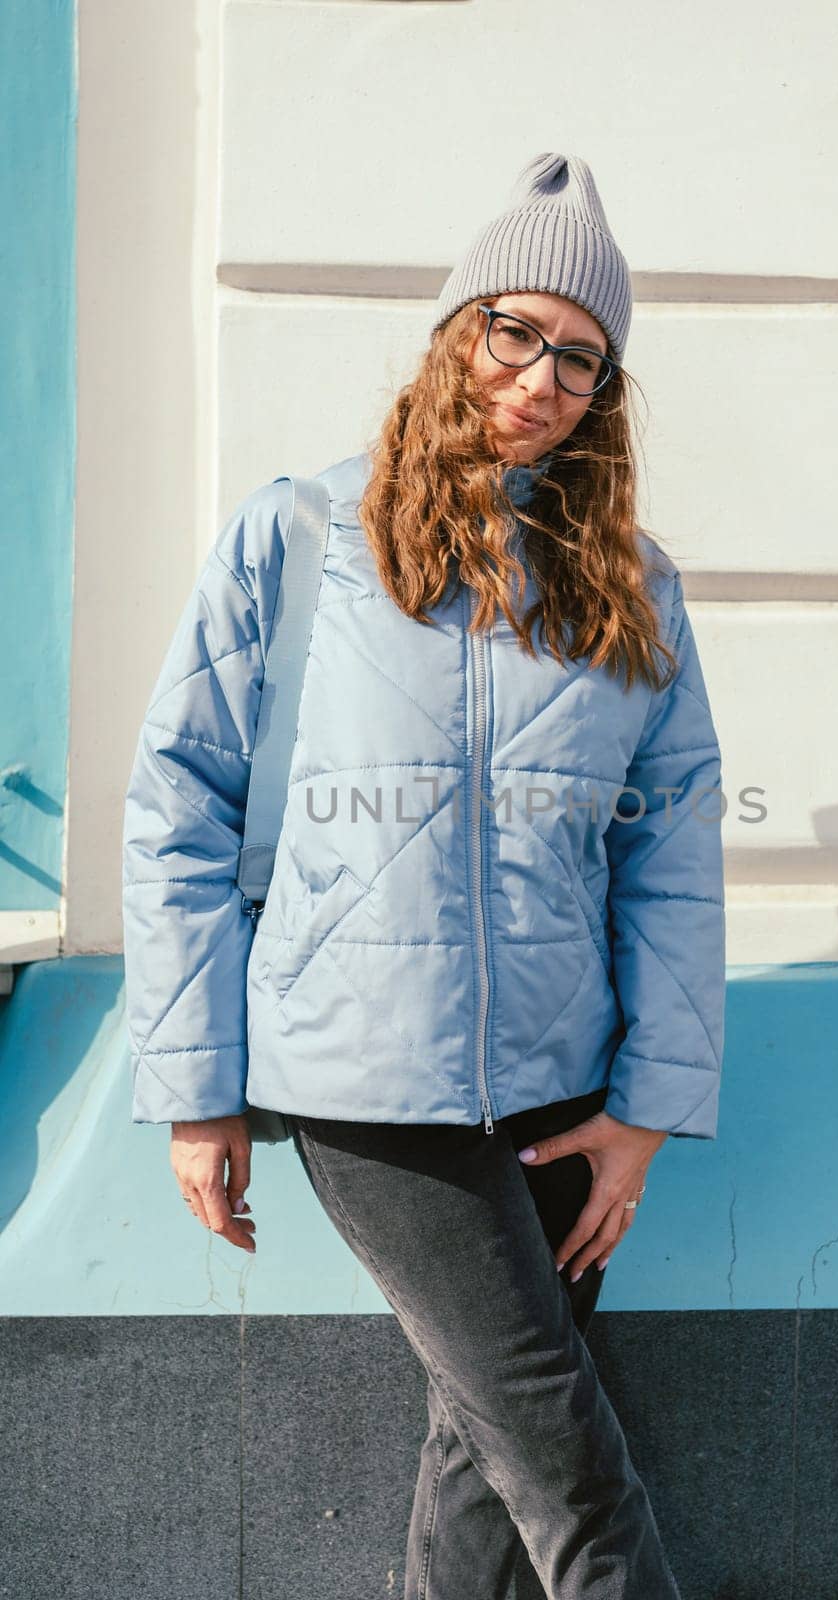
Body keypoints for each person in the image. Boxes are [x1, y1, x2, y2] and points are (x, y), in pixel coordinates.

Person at [122, 151, 726, 1600]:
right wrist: (198, 1087)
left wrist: (644, 1109)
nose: (543, 374)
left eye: (582, 358)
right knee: (570, 1474)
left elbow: (672, 851)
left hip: (561, 1089)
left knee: (486, 1463)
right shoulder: (305, 536)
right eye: (518, 331)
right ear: (460, 334)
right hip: (366, 1088)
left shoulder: (630, 586)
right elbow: (179, 803)